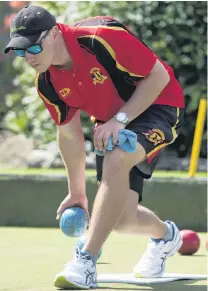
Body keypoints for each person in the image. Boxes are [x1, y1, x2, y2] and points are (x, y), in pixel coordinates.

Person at [4, 5, 185, 289]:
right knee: (121, 219)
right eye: (19, 51)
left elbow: (159, 75)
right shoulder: (47, 82)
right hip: (113, 122)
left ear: (53, 34)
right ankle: (166, 237)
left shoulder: (100, 38)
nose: (27, 58)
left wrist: (119, 119)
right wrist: (76, 193)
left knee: (116, 156)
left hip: (159, 105)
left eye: (33, 48)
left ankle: (85, 260)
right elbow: (69, 135)